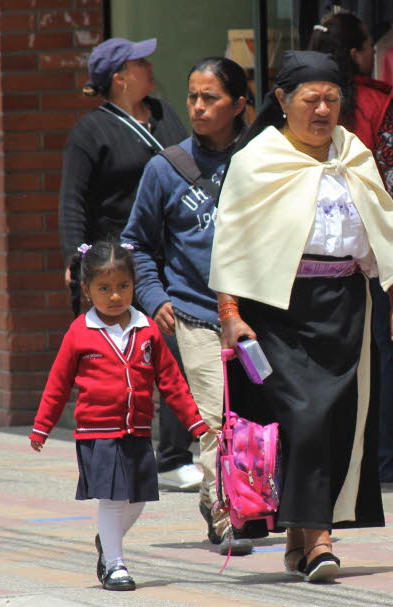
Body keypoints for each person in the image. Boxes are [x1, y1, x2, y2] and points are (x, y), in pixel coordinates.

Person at [209, 50, 393, 583]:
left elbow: (381, 231)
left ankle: (301, 542)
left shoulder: (354, 154)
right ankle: (320, 538)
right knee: (303, 418)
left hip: (343, 306)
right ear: (281, 101)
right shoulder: (258, 161)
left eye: (332, 100)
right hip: (276, 310)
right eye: (309, 100)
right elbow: (231, 241)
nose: (322, 111)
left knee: (333, 421)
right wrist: (229, 312)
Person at [121, 57, 253, 554]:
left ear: (240, 104)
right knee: (215, 419)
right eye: (193, 96)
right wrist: (155, 298)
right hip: (195, 314)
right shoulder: (166, 168)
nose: (197, 107)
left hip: (257, 317)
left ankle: (238, 500)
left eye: (210, 98)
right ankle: (224, 512)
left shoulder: (261, 162)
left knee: (256, 417)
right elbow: (136, 245)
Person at [57, 37, 201, 492]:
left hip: (169, 253)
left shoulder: (163, 114)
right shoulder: (91, 131)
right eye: (141, 62)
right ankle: (118, 447)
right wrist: (75, 257)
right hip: (117, 261)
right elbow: (73, 201)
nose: (150, 66)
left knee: (174, 348)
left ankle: (176, 454)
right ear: (120, 77)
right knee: (123, 361)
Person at [28, 240, 211, 591]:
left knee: (138, 500)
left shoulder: (147, 329)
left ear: (134, 284)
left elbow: (172, 381)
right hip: (98, 434)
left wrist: (195, 422)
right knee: (112, 500)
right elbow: (58, 382)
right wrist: (42, 427)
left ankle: (107, 541)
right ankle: (115, 564)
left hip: (138, 432)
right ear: (86, 290)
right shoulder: (79, 332)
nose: (115, 296)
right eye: (104, 289)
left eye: (123, 287)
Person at [308, 11, 393, 483]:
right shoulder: (376, 103)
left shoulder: (295, 105)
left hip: (311, 254)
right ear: (358, 55)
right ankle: (383, 460)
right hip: (371, 253)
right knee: (380, 351)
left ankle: (331, 459)